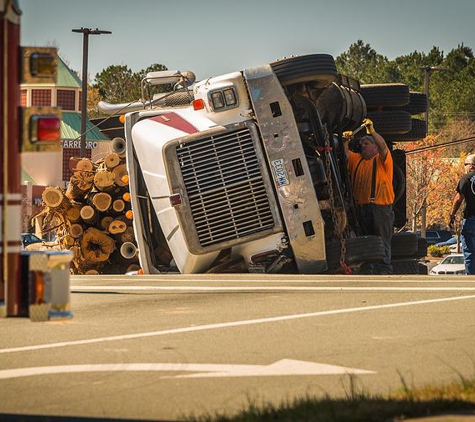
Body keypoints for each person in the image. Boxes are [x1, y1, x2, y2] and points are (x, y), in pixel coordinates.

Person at [343, 118, 395, 274]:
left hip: (380, 208)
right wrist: (345, 140)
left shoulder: (382, 160)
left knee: (381, 239)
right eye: (362, 144)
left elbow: (383, 146)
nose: (362, 146)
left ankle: (384, 269)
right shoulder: (357, 160)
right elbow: (345, 154)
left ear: (374, 147)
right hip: (362, 208)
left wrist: (372, 132)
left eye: (367, 143)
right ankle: (368, 270)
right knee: (365, 240)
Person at [448, 153, 475, 275]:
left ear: (471, 165)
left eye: (465, 164)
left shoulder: (466, 178)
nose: (464, 167)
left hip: (470, 219)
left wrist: (452, 215)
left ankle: (471, 279)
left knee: (469, 251)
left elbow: (459, 198)